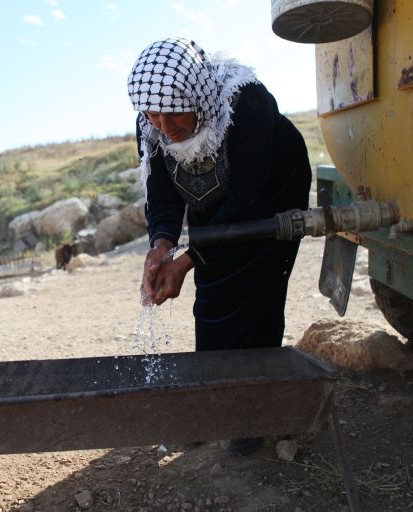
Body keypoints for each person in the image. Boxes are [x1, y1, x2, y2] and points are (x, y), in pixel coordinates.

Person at [127, 38, 311, 455]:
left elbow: (248, 202)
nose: (164, 127)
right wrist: (162, 245)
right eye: (153, 115)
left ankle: (251, 416)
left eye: (174, 114)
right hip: (211, 193)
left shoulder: (247, 105)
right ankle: (209, 406)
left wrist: (190, 259)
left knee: (258, 290)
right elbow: (162, 195)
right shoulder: (152, 123)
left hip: (273, 193)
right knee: (211, 294)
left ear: (197, 96)